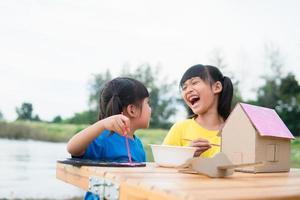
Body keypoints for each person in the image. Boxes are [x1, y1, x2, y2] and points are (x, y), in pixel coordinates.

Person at [67, 77, 151, 200]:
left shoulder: (138, 144)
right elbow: (72, 148)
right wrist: (102, 124)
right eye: (148, 103)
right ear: (132, 110)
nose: (150, 109)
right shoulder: (102, 138)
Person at [163, 64, 233, 158]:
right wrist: (186, 154)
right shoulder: (180, 128)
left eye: (194, 83)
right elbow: (162, 163)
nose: (188, 90)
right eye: (184, 87)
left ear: (217, 87)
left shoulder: (234, 132)